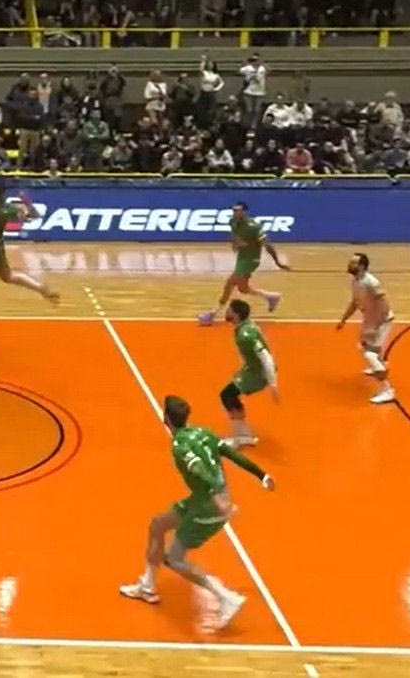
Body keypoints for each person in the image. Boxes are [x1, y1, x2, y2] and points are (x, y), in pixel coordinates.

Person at [119, 395, 276, 632]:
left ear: (166, 419)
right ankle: (147, 586)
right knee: (157, 525)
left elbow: (199, 469)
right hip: (202, 500)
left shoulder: (179, 446)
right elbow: (233, 454)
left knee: (174, 559)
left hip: (210, 506)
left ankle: (225, 597)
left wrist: (216, 497)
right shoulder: (204, 433)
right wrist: (261, 475)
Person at [198, 202, 290, 325]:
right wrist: (235, 243)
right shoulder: (232, 222)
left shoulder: (254, 227)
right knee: (243, 288)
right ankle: (271, 297)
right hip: (242, 257)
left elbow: (267, 245)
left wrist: (278, 263)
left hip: (251, 259)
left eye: (238, 210)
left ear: (244, 212)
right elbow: (234, 235)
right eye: (234, 210)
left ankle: (212, 314)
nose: (235, 213)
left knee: (230, 282)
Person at [336, 253, 395, 404]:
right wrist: (343, 320)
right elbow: (354, 303)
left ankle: (387, 391)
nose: (350, 264)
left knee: (370, 355)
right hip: (370, 320)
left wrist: (378, 324)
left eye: (353, 262)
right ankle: (378, 366)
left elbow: (384, 303)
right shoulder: (355, 281)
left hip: (382, 322)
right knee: (362, 346)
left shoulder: (371, 282)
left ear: (362, 266)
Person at [220, 300, 279, 448]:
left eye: (229, 310)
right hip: (253, 369)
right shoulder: (244, 327)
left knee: (228, 395)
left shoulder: (245, 335)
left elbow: (265, 357)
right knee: (230, 395)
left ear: (236, 314)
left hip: (260, 373)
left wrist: (273, 384)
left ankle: (241, 437)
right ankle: (243, 434)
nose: (226, 312)